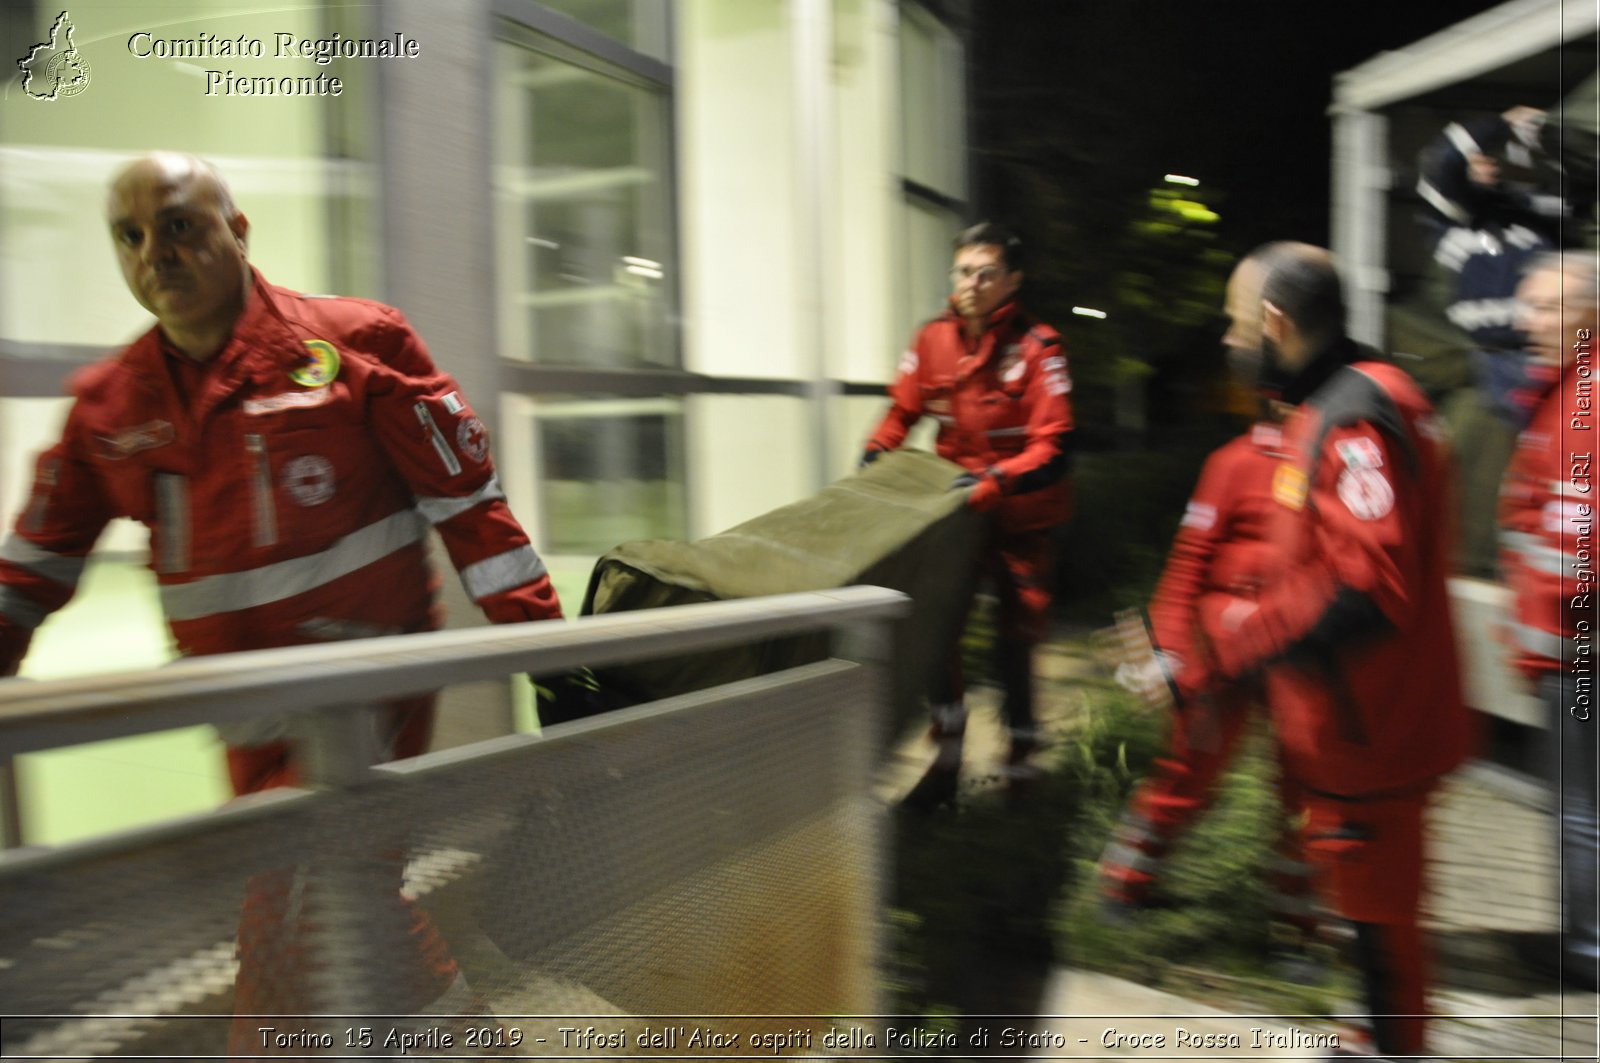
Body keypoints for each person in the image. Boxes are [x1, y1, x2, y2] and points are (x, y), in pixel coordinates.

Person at [0, 152, 563, 1043]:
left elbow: (473, 515)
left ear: (237, 231)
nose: (158, 252)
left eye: (182, 224)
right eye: (131, 235)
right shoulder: (109, 409)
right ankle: (476, 1041)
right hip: (243, 717)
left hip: (359, 703)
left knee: (287, 898)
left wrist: (550, 660)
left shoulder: (352, 347)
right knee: (343, 905)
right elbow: (26, 576)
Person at [1178, 243, 1472, 1058]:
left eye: (1238, 324)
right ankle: (1375, 1035)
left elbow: (1365, 587)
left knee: (1383, 931)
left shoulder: (1353, 417)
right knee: (1373, 920)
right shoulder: (1347, 401)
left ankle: (1388, 1042)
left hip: (1372, 732)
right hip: (1365, 724)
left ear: (1276, 322)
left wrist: (1244, 641)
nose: (1233, 341)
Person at [1094, 396, 1319, 959]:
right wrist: (1168, 649)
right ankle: (1125, 887)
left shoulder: (1332, 461)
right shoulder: (1232, 463)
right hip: (1222, 652)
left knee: (1305, 790)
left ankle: (1296, 928)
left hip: (1298, 652)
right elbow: (1190, 559)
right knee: (1187, 774)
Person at [861, 221, 1073, 807]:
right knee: (936, 629)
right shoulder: (931, 339)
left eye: (986, 273)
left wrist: (996, 481)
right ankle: (947, 754)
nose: (972, 283)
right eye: (963, 271)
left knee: (1017, 636)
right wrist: (878, 450)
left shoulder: (1039, 347)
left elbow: (1053, 444)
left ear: (1013, 280)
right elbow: (901, 412)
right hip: (957, 510)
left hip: (1020, 517)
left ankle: (1023, 758)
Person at [1497, 250, 1600, 993]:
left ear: (1588, 317)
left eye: (1545, 308)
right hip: (1569, 647)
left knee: (1576, 806)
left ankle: (1587, 948)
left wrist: (1529, 608)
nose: (1526, 321)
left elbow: (1575, 551)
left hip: (1576, 652)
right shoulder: (1566, 392)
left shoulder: (1583, 406)